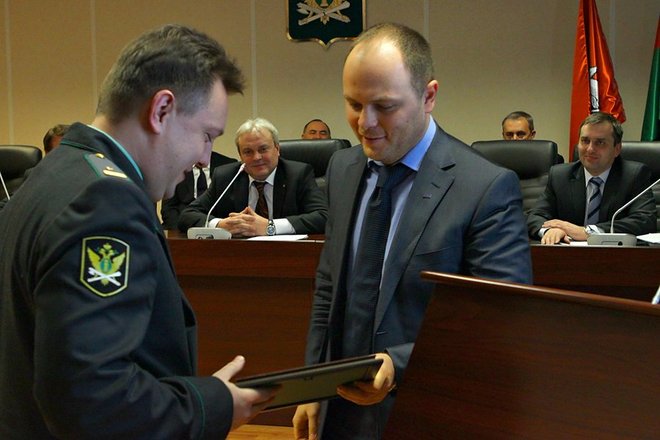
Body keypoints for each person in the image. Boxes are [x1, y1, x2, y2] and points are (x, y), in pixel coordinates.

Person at [0, 24, 275, 439]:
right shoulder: (106, 202)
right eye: (206, 135)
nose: (205, 157)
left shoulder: (52, 174)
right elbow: (93, 400)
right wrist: (211, 404)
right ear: (161, 110)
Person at [292, 23, 532, 439]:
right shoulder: (342, 168)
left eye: (384, 106)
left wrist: (400, 363)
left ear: (429, 95)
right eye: (353, 104)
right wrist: (312, 384)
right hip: (339, 410)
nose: (365, 123)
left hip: (427, 409)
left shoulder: (485, 186)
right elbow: (329, 286)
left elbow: (500, 321)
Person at [178, 117, 327, 237]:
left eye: (263, 149)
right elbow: (188, 215)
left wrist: (270, 226)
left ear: (277, 149)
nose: (256, 157)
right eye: (248, 152)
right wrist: (220, 224)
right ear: (240, 155)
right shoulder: (226, 177)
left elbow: (323, 216)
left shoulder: (298, 174)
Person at [527, 111, 656, 244]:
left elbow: (645, 220)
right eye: (585, 141)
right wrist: (550, 231)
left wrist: (588, 232)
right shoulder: (560, 175)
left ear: (617, 149)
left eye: (600, 142)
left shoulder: (634, 175)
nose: (590, 149)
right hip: (569, 253)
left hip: (617, 253)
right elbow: (535, 216)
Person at [161, 151, 236, 229]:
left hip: (219, 228)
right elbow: (169, 208)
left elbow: (232, 207)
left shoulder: (228, 165)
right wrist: (181, 230)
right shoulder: (177, 165)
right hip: (182, 227)